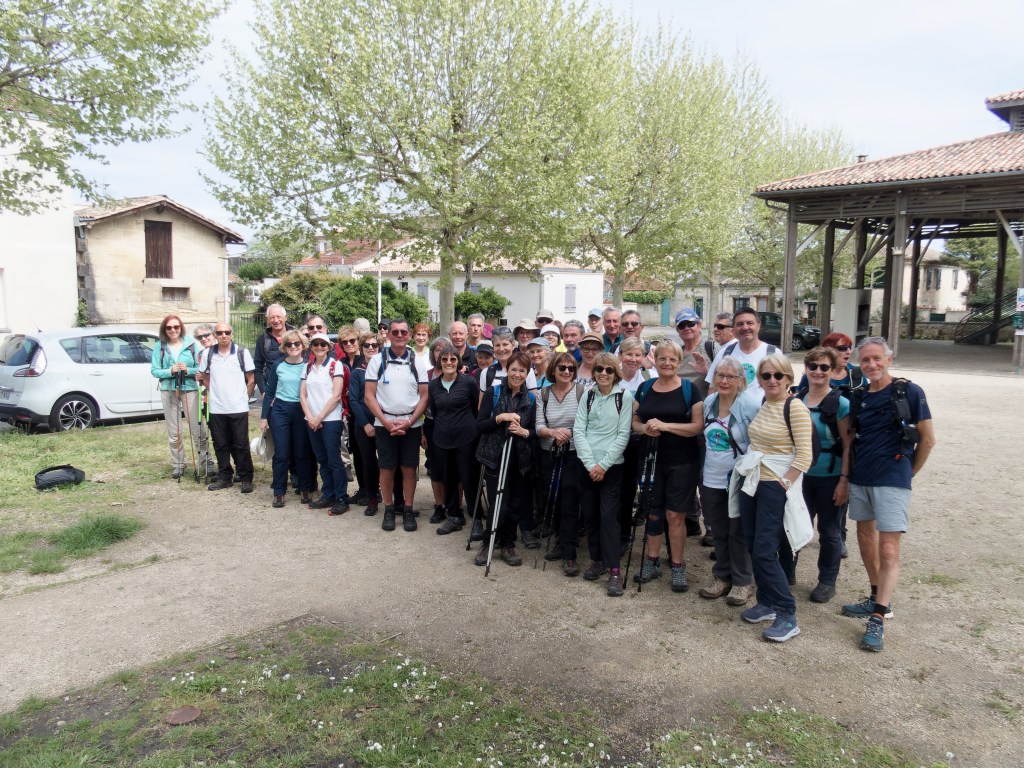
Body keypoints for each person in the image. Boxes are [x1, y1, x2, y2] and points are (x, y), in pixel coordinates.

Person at [841, 337, 935, 653]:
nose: (871, 365)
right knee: (865, 538)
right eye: (866, 360)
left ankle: (879, 617)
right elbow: (852, 439)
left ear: (889, 359)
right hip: (862, 477)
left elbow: (928, 440)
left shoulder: (909, 392)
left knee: (889, 549)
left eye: (877, 358)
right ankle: (875, 595)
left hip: (892, 478)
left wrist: (908, 473)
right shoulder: (859, 396)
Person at [733, 353, 814, 643]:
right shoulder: (766, 403)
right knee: (753, 544)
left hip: (773, 487)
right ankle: (766, 602)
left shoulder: (795, 408)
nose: (772, 380)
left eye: (778, 375)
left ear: (788, 378)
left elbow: (804, 455)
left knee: (765, 550)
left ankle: (787, 612)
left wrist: (783, 484)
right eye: (766, 375)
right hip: (754, 482)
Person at [631, 340, 704, 593]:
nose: (667, 363)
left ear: (679, 362)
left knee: (675, 515)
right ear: (656, 360)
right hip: (651, 460)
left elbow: (697, 426)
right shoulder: (645, 387)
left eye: (673, 359)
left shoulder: (690, 389)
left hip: (682, 462)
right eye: (662, 358)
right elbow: (635, 421)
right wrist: (644, 428)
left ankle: (677, 565)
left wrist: (665, 426)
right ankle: (652, 561)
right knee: (653, 512)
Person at [792, 346, 851, 604]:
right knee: (793, 526)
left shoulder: (841, 404)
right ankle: (787, 573)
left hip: (830, 475)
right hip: (800, 475)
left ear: (833, 370)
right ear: (806, 368)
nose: (818, 371)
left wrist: (844, 481)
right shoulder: (796, 399)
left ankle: (827, 581)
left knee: (829, 531)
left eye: (824, 367)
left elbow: (848, 445)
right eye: (813, 366)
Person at [698, 356, 758, 607]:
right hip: (712, 476)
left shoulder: (750, 405)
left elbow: (758, 442)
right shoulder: (709, 402)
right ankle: (722, 576)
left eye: (730, 377)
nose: (723, 380)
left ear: (741, 381)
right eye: (719, 375)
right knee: (719, 530)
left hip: (739, 479)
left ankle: (743, 582)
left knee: (738, 531)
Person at [574, 353, 634, 596]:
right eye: (599, 369)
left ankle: (615, 571)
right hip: (587, 466)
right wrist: (591, 464)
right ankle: (597, 560)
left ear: (615, 373)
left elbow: (623, 434)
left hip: (612, 467)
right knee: (590, 515)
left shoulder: (624, 397)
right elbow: (579, 430)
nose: (603, 374)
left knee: (608, 517)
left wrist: (603, 465)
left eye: (609, 370)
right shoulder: (588, 395)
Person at [365, 318, 429, 533]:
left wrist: (410, 422)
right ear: (388, 335)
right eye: (395, 332)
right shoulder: (377, 360)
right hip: (384, 423)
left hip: (411, 423)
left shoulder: (416, 361)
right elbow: (369, 396)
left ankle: (408, 509)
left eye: (403, 332)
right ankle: (389, 509)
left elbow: (424, 396)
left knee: (409, 468)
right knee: (386, 468)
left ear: (409, 335)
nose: (399, 335)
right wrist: (385, 422)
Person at [474, 351, 536, 567]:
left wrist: (524, 432)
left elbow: (535, 431)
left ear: (527, 374)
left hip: (520, 460)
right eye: (514, 369)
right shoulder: (494, 392)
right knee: (498, 504)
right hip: (495, 457)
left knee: (514, 505)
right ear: (507, 370)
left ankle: (508, 544)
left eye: (522, 371)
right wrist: (499, 418)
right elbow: (479, 425)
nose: (517, 374)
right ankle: (488, 543)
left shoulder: (531, 399)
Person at [536, 352, 585, 575]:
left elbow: (586, 424)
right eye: (562, 367)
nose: (567, 371)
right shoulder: (543, 394)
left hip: (574, 453)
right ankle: (560, 541)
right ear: (553, 370)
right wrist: (553, 432)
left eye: (571, 368)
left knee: (569, 500)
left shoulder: (583, 392)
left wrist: (569, 432)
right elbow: (539, 426)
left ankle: (570, 553)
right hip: (549, 452)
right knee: (552, 498)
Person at [426, 340, 480, 535]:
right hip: (442, 439)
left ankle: (476, 518)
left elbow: (475, 408)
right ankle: (454, 516)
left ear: (458, 362)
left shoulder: (468, 382)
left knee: (469, 479)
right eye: (445, 359)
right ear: (439, 362)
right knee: (448, 479)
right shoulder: (433, 385)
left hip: (466, 438)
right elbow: (434, 410)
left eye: (452, 359)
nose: (449, 362)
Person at [260, 330, 316, 508]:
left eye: (296, 343)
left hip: (301, 410)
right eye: (289, 344)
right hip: (280, 410)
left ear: (303, 346)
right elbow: (269, 392)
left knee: (302, 452)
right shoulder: (278, 365)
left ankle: (305, 488)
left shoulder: (309, 366)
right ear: (284, 347)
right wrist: (264, 417)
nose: (293, 347)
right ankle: (279, 491)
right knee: (282, 454)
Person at [151, 315, 211, 479]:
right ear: (164, 329)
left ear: (181, 328)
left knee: (197, 429)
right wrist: (170, 371)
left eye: (176, 327)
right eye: (169, 327)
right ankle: (178, 464)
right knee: (174, 431)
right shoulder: (159, 347)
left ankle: (206, 462)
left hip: (189, 389)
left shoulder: (191, 344)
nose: (173, 330)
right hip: (169, 390)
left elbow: (200, 367)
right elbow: (155, 370)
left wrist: (187, 370)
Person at [198, 323, 255, 493]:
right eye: (220, 332)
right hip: (217, 407)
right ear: (215, 335)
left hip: (238, 407)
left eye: (227, 332)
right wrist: (213, 391)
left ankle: (245, 477)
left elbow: (251, 379)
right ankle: (225, 476)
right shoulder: (208, 353)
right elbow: (204, 376)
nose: (224, 335)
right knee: (220, 443)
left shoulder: (242, 352)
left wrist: (244, 398)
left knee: (241, 443)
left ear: (232, 334)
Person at [300, 333, 348, 515]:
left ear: (329, 347)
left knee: (334, 459)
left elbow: (336, 396)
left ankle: (341, 498)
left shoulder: (336, 366)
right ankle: (328, 494)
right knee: (322, 459)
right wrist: (310, 417)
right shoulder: (307, 367)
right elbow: (302, 395)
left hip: (330, 420)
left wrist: (319, 418)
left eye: (323, 344)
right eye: (315, 344)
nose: (319, 347)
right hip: (312, 420)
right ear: (311, 347)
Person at [705, 307, 777, 395]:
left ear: (758, 325)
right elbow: (712, 387)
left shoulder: (773, 353)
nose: (745, 327)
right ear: (734, 328)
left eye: (750, 323)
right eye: (740, 324)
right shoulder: (724, 353)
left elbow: (782, 388)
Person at [349, 332, 382, 515]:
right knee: (368, 462)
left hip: (383, 423)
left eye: (374, 345)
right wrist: (365, 424)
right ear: (361, 349)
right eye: (367, 345)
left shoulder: (385, 370)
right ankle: (371, 498)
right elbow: (354, 401)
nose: (370, 348)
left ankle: (396, 502)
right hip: (364, 425)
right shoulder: (357, 372)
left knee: (387, 463)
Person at [796, 332, 865, 393]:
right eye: (843, 348)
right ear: (828, 350)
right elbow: (799, 398)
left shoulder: (857, 373)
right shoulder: (813, 374)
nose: (849, 352)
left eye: (849, 347)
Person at [478, 328, 538, 393]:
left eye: (505, 344)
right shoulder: (486, 373)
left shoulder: (527, 370)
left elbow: (533, 398)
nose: (501, 349)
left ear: (513, 345)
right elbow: (482, 399)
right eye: (497, 345)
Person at [674, 308, 714, 400]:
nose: (686, 328)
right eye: (682, 325)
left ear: (699, 325)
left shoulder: (711, 348)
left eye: (691, 324)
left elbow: (725, 379)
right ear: (677, 330)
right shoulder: (676, 353)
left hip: (701, 405)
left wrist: (706, 374)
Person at [253, 304, 293, 395]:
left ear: (285, 318)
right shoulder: (263, 340)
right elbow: (258, 367)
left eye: (279, 317)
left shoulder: (295, 336)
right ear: (268, 319)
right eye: (272, 317)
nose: (276, 320)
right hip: (271, 391)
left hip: (294, 391)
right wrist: (263, 390)